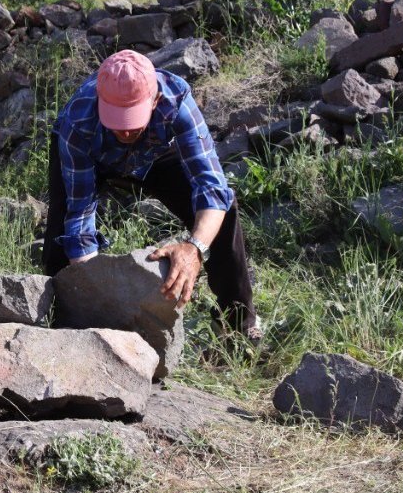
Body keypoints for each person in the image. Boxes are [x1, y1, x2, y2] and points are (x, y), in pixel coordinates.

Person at [41, 49, 262, 343]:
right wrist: (100, 297)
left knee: (223, 212)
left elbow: (212, 188)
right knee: (60, 241)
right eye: (116, 119)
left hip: (156, 151)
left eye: (132, 118)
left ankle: (240, 328)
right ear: (100, 102)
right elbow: (80, 219)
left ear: (155, 100)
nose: (124, 130)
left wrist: (194, 249)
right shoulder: (78, 122)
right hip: (94, 152)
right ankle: (61, 330)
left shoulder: (175, 101)